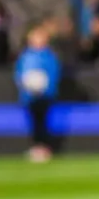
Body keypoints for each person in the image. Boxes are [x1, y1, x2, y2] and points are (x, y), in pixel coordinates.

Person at [14, 22, 63, 163]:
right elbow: (19, 73)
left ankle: (44, 147)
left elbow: (54, 74)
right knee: (33, 122)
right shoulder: (25, 56)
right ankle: (36, 147)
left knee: (43, 121)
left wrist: (46, 87)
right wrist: (24, 84)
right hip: (29, 97)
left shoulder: (49, 56)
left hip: (45, 96)